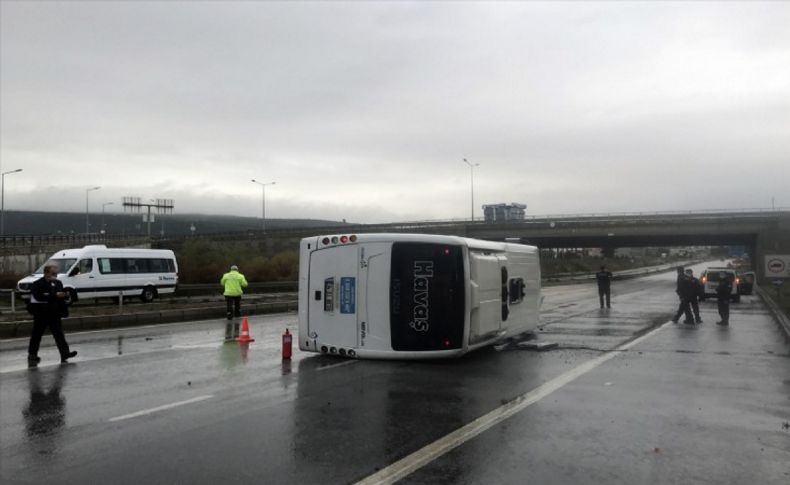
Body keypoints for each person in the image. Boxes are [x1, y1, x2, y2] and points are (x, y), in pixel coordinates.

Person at [27, 264, 77, 365]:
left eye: (56, 273)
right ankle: (32, 354)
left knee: (59, 334)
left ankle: (65, 353)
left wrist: (64, 295)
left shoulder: (58, 283)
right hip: (41, 314)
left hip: (54, 313)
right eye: (53, 273)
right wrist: (54, 295)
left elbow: (59, 295)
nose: (55, 275)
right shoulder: (37, 284)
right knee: (37, 335)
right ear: (46, 273)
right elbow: (38, 297)